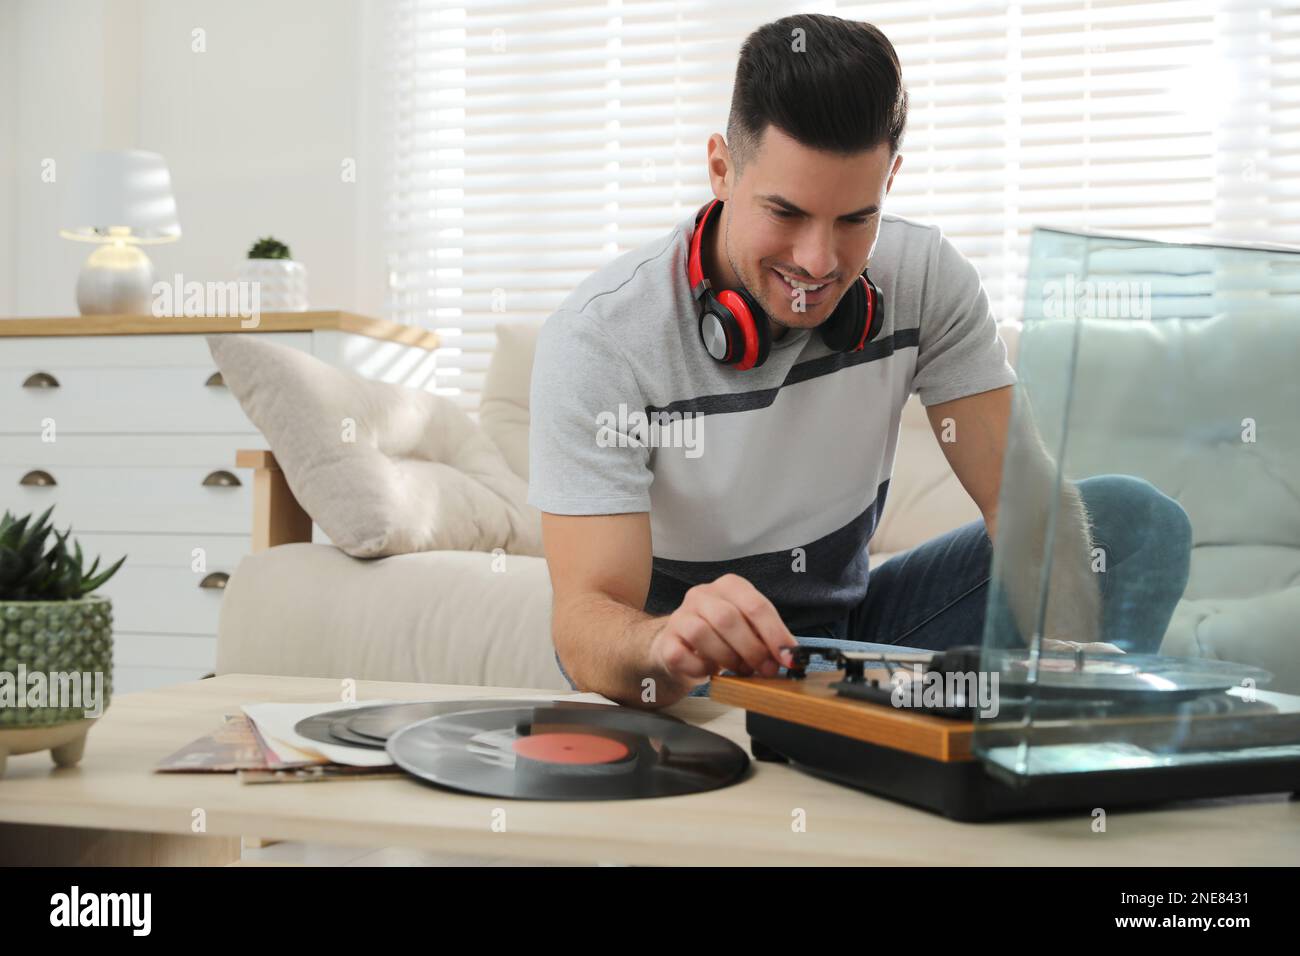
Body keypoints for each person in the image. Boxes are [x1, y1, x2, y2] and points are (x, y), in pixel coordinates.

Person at [527, 13, 1192, 710]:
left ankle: (1071, 749)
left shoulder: (926, 277)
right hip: (690, 667)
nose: (818, 262)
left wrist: (1067, 660)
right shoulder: (602, 338)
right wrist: (667, 645)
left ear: (891, 180)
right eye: (785, 212)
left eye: (854, 220)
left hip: (851, 641)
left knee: (1133, 523)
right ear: (721, 168)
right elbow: (586, 625)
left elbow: (1016, 496)